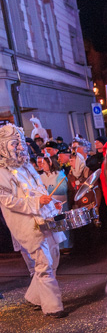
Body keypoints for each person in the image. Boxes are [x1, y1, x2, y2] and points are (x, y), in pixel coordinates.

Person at [0, 124, 66, 316]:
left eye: (21, 143)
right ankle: (53, 307)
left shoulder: (27, 166)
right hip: (28, 223)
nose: (21, 148)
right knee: (44, 263)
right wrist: (37, 202)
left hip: (45, 218)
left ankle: (35, 297)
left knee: (54, 259)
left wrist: (52, 203)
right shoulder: (2, 172)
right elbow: (7, 201)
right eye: (15, 144)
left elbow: (40, 191)